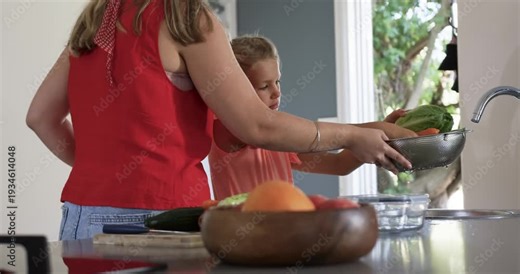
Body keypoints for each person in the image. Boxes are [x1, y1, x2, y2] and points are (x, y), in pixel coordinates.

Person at [26, 0, 413, 240]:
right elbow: (257, 126)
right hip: (158, 224)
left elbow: (40, 118)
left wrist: (108, 171)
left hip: (80, 220)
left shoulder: (95, 22)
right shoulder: (184, 16)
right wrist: (351, 133)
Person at [209, 35, 416, 199]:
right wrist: (374, 128)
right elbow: (263, 131)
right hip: (241, 241)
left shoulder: (279, 138)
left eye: (277, 82)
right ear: (236, 92)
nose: (277, 92)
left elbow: (339, 165)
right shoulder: (231, 128)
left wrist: (376, 132)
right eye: (264, 86)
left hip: (279, 240)